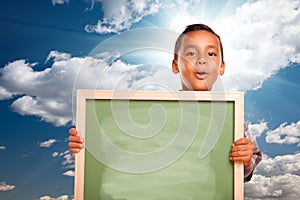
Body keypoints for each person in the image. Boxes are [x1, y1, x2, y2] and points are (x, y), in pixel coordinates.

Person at [68, 23, 262, 182]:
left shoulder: (233, 119)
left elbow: (244, 172)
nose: (202, 60)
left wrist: (246, 163)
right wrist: (87, 144)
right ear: (175, 65)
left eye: (211, 54)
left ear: (222, 67)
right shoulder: (154, 111)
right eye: (191, 53)